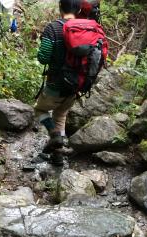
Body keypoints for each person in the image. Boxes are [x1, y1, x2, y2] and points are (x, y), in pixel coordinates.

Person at [34, 0, 83, 165]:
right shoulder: (84, 29)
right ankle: (58, 155)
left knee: (39, 110)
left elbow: (43, 57)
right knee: (61, 115)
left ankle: (54, 134)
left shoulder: (53, 28)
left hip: (55, 84)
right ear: (79, 10)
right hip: (75, 86)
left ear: (60, 7)